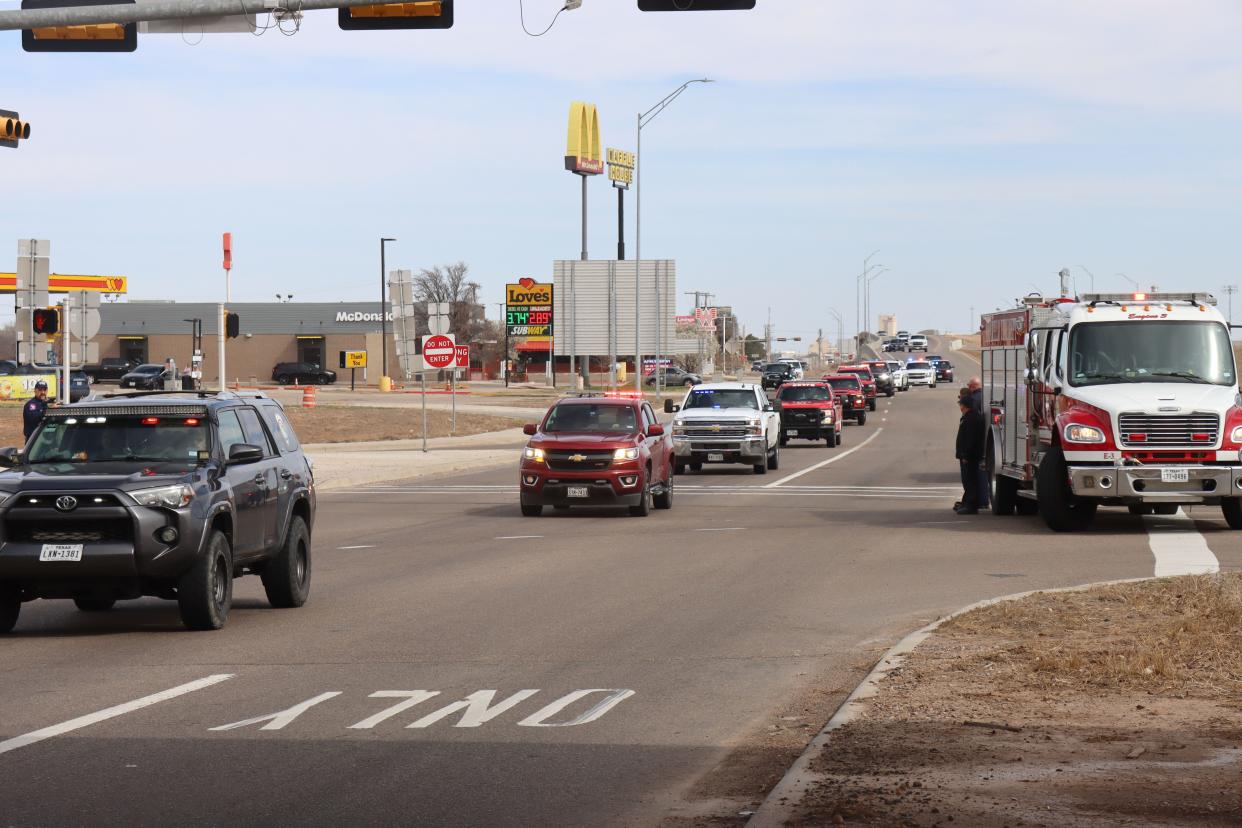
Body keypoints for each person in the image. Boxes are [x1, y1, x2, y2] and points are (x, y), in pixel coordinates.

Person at [955, 393, 985, 515]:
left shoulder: (970, 418)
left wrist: (966, 455)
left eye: (961, 405)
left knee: (970, 481)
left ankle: (971, 505)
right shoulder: (970, 417)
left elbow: (970, 439)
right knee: (968, 481)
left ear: (965, 406)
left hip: (970, 456)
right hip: (969, 455)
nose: (960, 407)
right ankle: (967, 502)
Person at [966, 376, 990, 510]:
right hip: (985, 439)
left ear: (972, 387)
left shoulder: (974, 400)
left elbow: (973, 421)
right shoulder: (986, 396)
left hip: (978, 442)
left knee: (976, 474)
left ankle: (981, 500)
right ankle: (983, 499)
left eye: (969, 386)